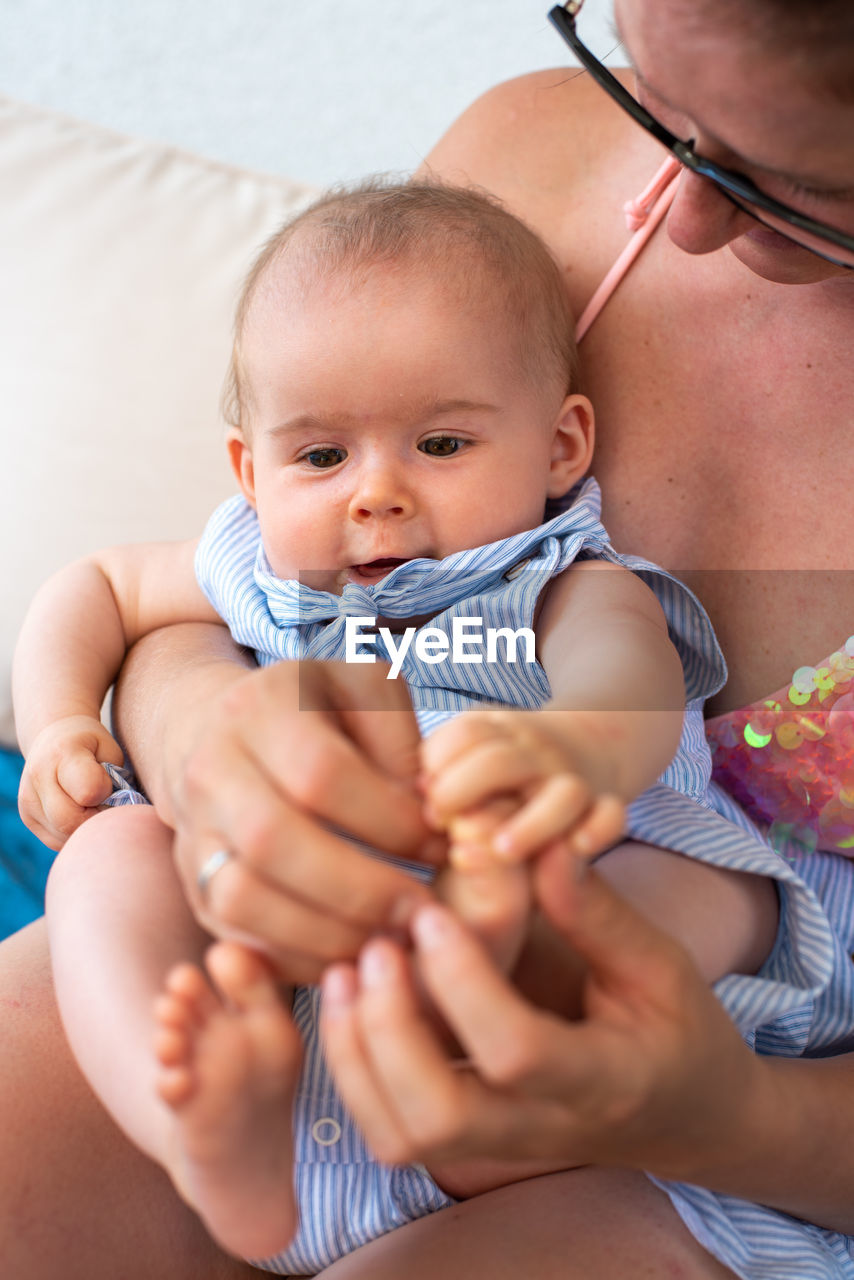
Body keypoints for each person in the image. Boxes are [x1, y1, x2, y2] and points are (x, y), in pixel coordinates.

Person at [2, 1, 854, 1277]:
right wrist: (184, 740)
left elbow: (617, 676)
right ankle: (196, 1122)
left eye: (788, 179)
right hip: (281, 962)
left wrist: (717, 1114)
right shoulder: (527, 165)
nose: (675, 212)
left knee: (626, 911)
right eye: (654, 94)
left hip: (711, 1105)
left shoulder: (551, 576)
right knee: (101, 871)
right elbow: (169, 598)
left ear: (559, 442)